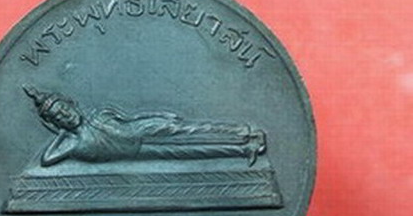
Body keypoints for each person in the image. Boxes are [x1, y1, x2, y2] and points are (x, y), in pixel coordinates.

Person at [23, 85, 266, 167]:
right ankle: (245, 149)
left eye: (64, 109)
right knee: (192, 151)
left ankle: (242, 132)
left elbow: (130, 119)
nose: (65, 116)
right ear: (55, 123)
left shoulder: (100, 114)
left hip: (143, 129)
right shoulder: (73, 144)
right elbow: (47, 159)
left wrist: (158, 114)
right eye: (58, 117)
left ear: (71, 104)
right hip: (139, 151)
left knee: (190, 130)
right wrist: (58, 132)